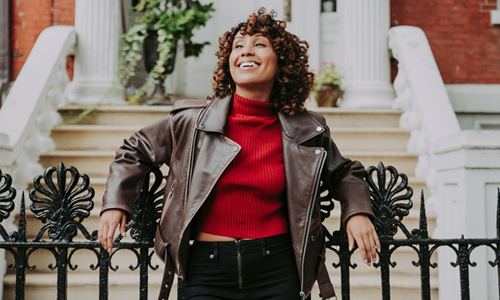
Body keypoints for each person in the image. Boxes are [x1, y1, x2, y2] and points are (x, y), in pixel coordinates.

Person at [98, 7, 380, 300]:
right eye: (238, 46)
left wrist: (357, 212)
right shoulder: (192, 120)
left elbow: (345, 172)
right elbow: (135, 149)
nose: (246, 52)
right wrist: (117, 202)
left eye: (259, 44)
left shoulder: (307, 129)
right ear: (229, 62)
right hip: (207, 270)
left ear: (282, 62)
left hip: (278, 268)